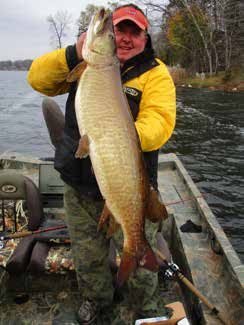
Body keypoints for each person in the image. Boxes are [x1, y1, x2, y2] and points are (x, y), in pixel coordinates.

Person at [28, 4, 176, 324]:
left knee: (137, 245)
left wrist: (115, 136)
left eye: (133, 32)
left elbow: (161, 123)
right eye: (117, 31)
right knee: (88, 255)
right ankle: (96, 300)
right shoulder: (83, 64)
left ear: (144, 37)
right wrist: (72, 53)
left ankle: (147, 307)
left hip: (129, 184)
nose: (123, 38)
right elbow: (37, 79)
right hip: (79, 184)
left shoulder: (155, 73)